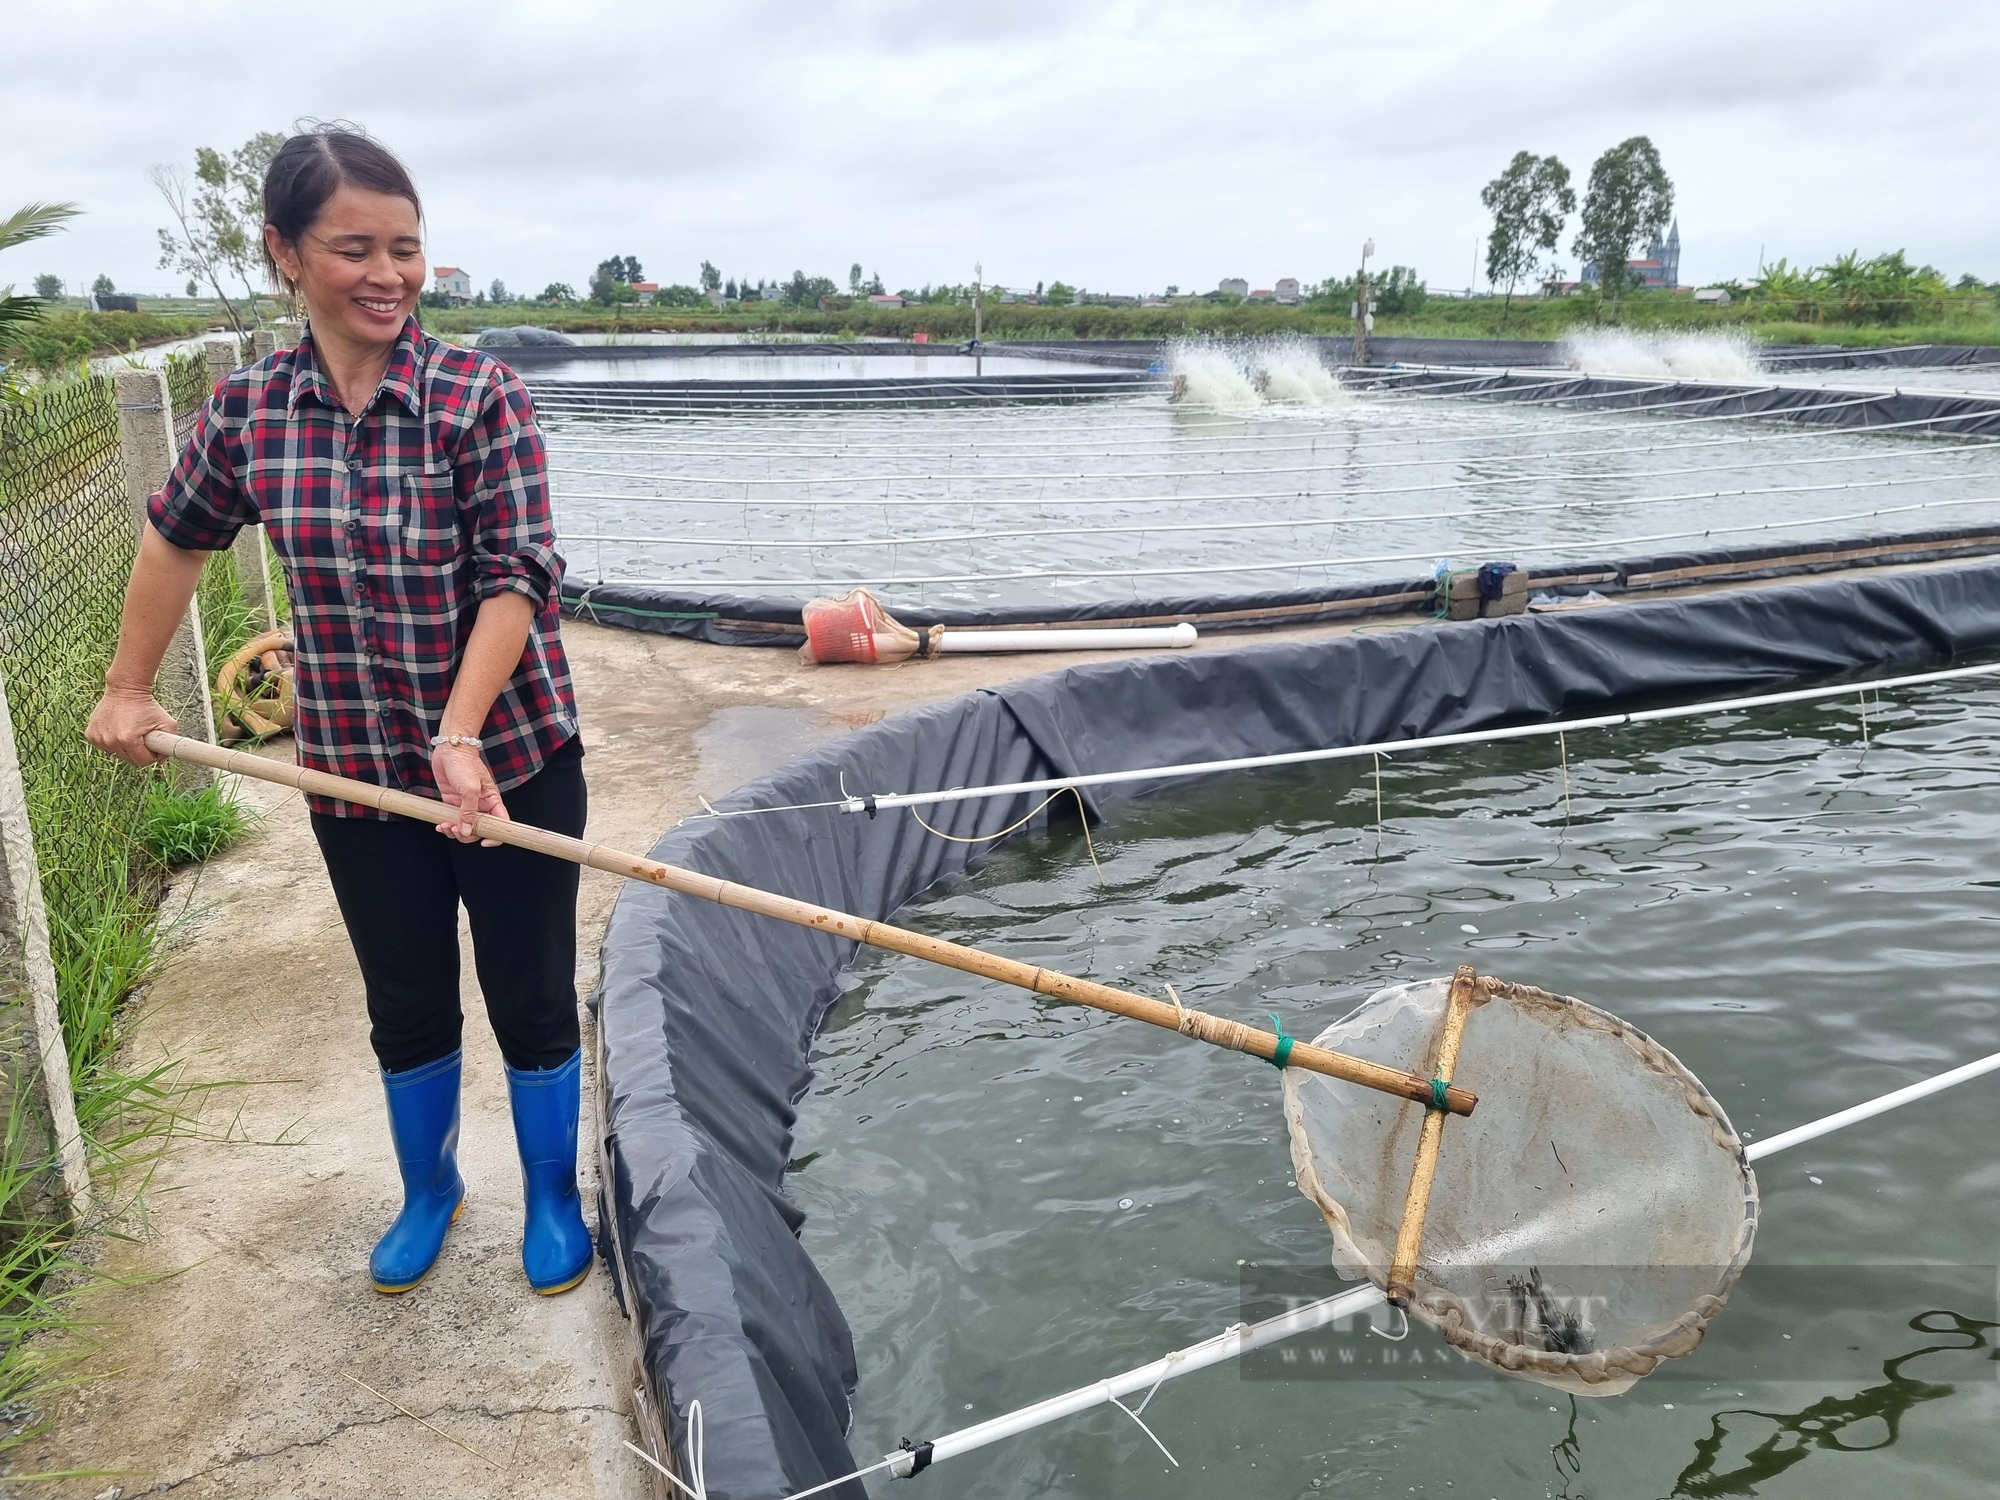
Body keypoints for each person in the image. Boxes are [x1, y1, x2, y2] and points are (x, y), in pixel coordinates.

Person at [85, 126, 593, 1297]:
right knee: (404, 992)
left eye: (405, 249)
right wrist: (126, 687)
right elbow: (174, 539)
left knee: (526, 986)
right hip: (356, 775)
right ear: (285, 254)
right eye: (353, 247)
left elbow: (514, 577)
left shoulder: (480, 396)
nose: (387, 274)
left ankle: (553, 1197)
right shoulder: (252, 411)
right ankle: (430, 1189)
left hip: (510, 758)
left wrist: (460, 739)